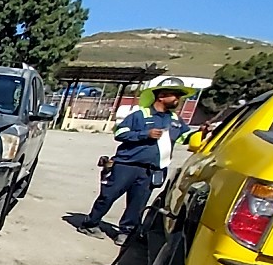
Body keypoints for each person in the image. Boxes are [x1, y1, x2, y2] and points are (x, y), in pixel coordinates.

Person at [77, 82, 201, 245]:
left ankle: (126, 232)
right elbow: (120, 133)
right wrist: (145, 134)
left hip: (150, 170)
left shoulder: (175, 120)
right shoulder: (140, 115)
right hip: (127, 165)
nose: (178, 99)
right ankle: (90, 224)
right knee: (108, 196)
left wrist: (202, 133)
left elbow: (185, 138)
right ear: (161, 96)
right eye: (175, 95)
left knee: (138, 203)